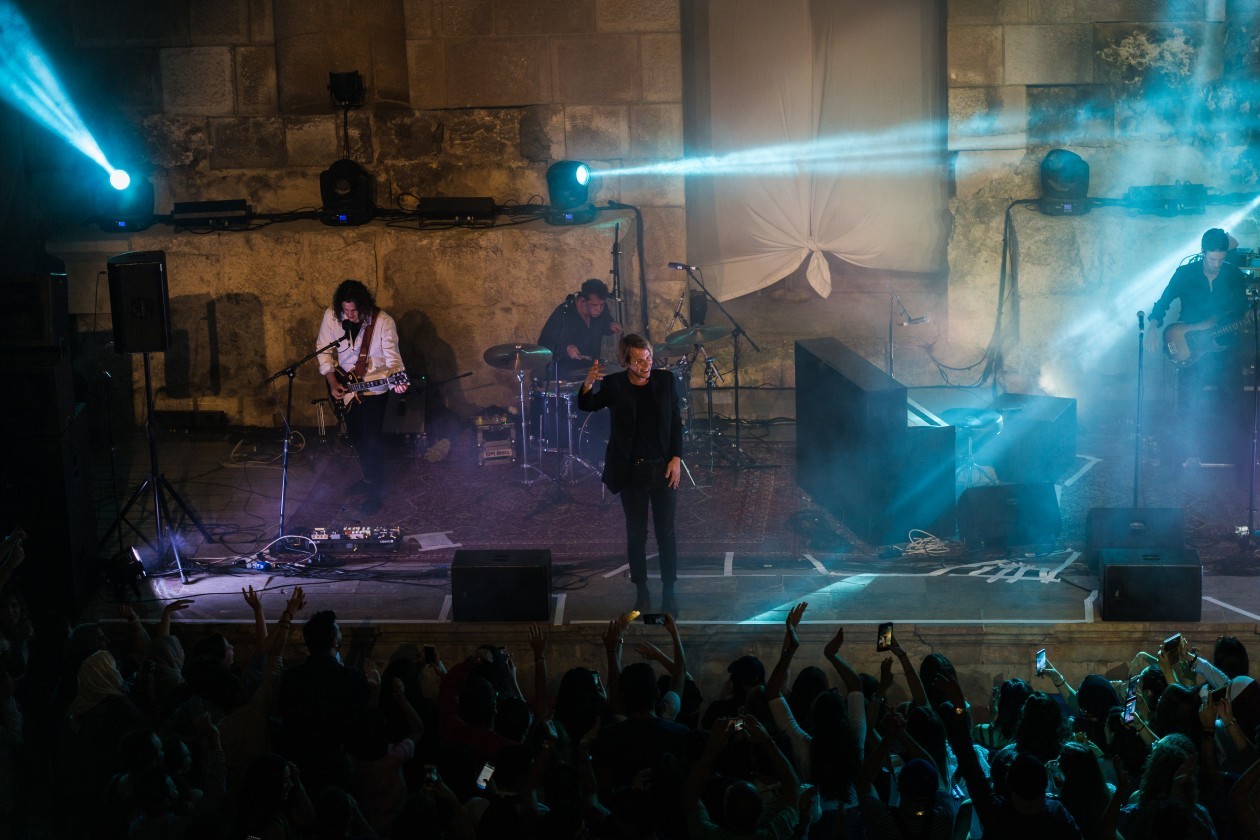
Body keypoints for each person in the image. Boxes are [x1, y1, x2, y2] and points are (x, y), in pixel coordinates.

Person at [578, 334, 683, 615]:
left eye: (648, 358)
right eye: (639, 361)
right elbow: (588, 405)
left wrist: (677, 457)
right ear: (626, 362)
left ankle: (669, 593)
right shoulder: (615, 385)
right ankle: (642, 592)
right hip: (632, 471)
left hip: (663, 468)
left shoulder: (666, 381)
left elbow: (676, 421)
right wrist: (587, 384)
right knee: (636, 534)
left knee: (666, 533)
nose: (646, 365)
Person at [1147, 228, 1251, 465]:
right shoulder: (1185, 273)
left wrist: (1246, 317)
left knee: (1234, 401)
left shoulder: (1233, 275)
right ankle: (1177, 459)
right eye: (1212, 259)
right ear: (1203, 252)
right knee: (1187, 401)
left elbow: (1241, 309)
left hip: (1224, 347)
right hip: (1190, 345)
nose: (1217, 265)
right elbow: (1164, 302)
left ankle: (1236, 459)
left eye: (1221, 260)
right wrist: (1153, 326)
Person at [316, 279, 409, 516]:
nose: (350, 315)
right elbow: (323, 350)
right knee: (356, 438)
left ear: (364, 305)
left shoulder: (384, 322)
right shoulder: (332, 316)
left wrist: (397, 380)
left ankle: (375, 493)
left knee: (372, 440)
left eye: (354, 310)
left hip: (374, 390)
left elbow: (393, 360)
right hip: (345, 389)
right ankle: (368, 478)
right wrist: (333, 383)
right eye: (345, 310)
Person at [538, 278, 623, 381]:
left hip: (590, 369)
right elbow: (544, 344)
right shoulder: (564, 313)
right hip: (564, 373)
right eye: (594, 305)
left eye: (602, 304)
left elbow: (604, 323)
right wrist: (566, 348)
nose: (599, 309)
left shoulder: (601, 309)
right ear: (583, 301)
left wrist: (610, 325)